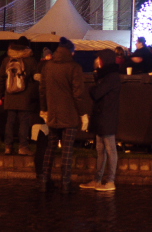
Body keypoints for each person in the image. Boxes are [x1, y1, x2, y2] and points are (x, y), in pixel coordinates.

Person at [39, 37, 88, 193]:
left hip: (52, 113)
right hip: (70, 115)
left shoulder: (48, 66)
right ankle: (65, 184)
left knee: (50, 148)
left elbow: (42, 90)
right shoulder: (74, 68)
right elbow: (78, 94)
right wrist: (83, 114)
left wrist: (44, 109)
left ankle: (44, 180)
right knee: (67, 150)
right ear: (70, 52)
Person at [80, 50, 121, 192]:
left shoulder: (111, 77)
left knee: (109, 148)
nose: (97, 60)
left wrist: (93, 86)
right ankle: (98, 179)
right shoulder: (106, 75)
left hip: (106, 116)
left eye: (99, 58)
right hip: (101, 116)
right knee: (100, 149)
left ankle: (110, 181)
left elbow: (96, 93)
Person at [0, 36, 38, 156]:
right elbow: (36, 78)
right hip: (25, 96)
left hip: (10, 95)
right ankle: (23, 147)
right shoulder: (30, 60)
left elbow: (1, 77)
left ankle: (8, 146)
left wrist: (2, 94)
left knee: (10, 121)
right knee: (24, 122)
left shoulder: (7, 60)